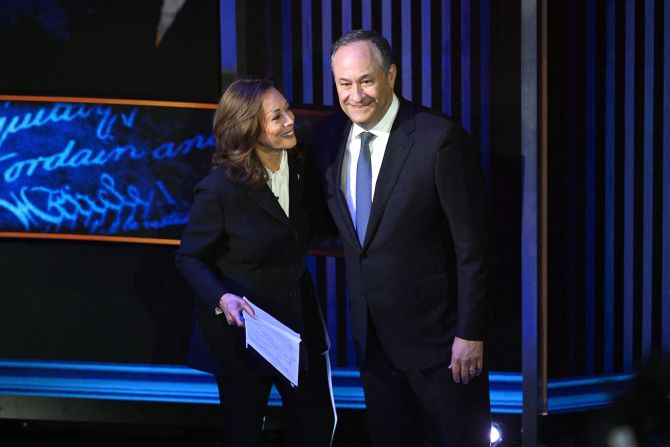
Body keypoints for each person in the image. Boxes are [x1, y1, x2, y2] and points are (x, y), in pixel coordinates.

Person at [312, 30, 493, 446]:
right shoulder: (327, 139)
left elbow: (474, 248)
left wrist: (471, 332)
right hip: (372, 345)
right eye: (344, 83)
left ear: (391, 75)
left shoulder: (437, 138)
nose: (355, 94)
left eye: (365, 80)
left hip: (443, 346)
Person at [175, 78, 336, 447]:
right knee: (243, 433)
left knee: (317, 425)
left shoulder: (302, 171)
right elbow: (189, 258)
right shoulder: (219, 190)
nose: (290, 119)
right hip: (245, 330)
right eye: (277, 116)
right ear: (248, 127)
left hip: (299, 328)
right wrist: (222, 298)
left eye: (288, 109)